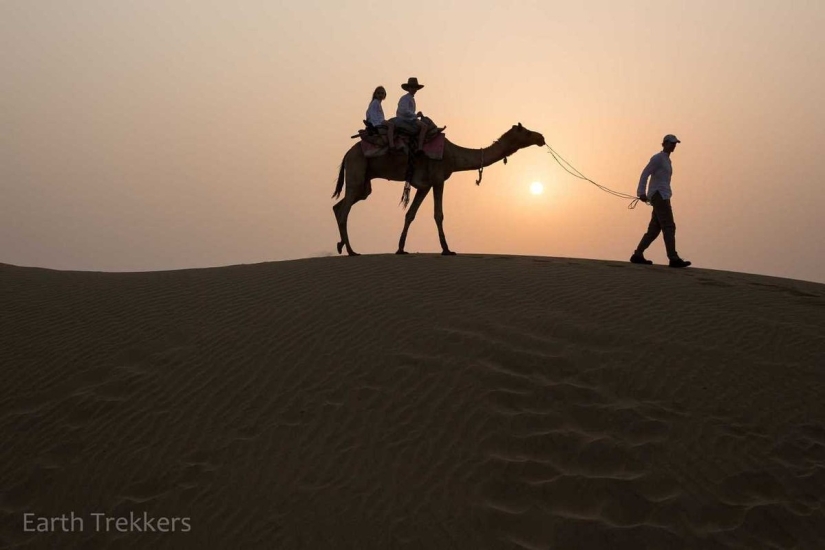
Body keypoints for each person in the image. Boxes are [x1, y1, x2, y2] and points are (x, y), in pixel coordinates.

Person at [630, 134, 692, 268]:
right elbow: (645, 173)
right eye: (671, 143)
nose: (673, 145)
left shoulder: (667, 161)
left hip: (664, 196)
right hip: (659, 196)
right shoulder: (657, 158)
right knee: (669, 226)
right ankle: (673, 258)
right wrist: (641, 192)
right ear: (664, 144)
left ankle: (638, 254)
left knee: (654, 229)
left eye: (675, 143)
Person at [387, 77, 428, 152]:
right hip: (405, 120)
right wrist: (415, 115)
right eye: (412, 87)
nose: (414, 89)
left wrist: (416, 115)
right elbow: (404, 111)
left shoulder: (410, 98)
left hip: (409, 119)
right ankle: (420, 148)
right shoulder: (405, 98)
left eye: (415, 87)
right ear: (408, 88)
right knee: (424, 126)